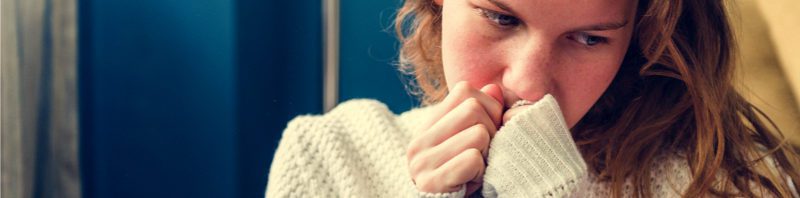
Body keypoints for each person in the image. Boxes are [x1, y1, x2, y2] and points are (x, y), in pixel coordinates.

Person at [265, 0, 800, 197]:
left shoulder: (719, 182)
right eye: (501, 18)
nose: (530, 86)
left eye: (590, 38)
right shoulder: (331, 158)